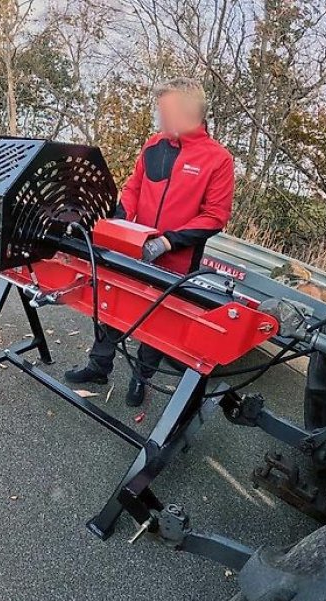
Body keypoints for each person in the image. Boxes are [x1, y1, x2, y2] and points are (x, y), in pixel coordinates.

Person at [65, 77, 235, 406]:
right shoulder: (153, 145)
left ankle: (141, 379)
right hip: (129, 249)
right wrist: (118, 222)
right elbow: (133, 189)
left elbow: (215, 215)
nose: (162, 118)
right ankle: (98, 366)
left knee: (157, 322)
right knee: (109, 304)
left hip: (174, 260)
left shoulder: (218, 159)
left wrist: (167, 242)